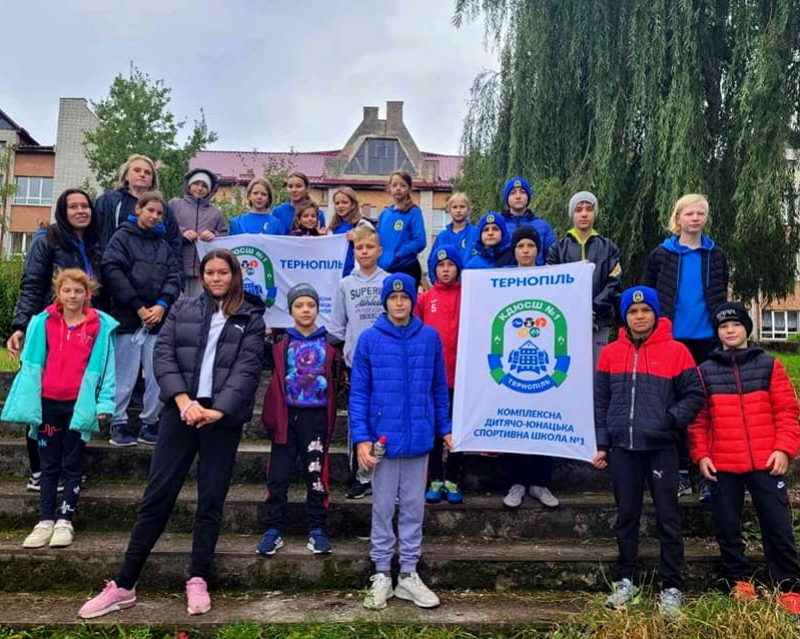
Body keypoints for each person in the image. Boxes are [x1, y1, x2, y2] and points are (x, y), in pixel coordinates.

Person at [77, 248, 266, 619]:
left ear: (234, 276)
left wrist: (217, 409)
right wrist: (183, 402)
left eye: (222, 272)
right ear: (202, 275)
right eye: (209, 272)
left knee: (211, 500)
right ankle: (124, 584)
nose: (215, 278)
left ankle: (198, 577)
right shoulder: (183, 309)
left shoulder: (252, 318)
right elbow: (163, 357)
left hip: (221, 421)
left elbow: (247, 370)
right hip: (180, 413)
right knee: (157, 497)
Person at [591, 286, 704, 620]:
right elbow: (600, 401)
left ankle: (672, 586)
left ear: (655, 314)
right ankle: (626, 580)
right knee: (626, 516)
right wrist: (602, 442)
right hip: (624, 449)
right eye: (633, 312)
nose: (639, 317)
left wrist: (670, 420)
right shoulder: (610, 352)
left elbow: (694, 395)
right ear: (625, 317)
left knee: (668, 518)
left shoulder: (677, 351)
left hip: (661, 449)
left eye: (645, 311)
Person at [688, 302, 800, 615]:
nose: (730, 331)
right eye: (724, 327)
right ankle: (738, 579)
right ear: (718, 333)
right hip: (723, 463)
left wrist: (784, 448)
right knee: (727, 525)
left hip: (766, 460)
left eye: (736, 325)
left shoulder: (769, 365)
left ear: (746, 329)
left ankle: (789, 586)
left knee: (778, 525)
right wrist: (701, 455)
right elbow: (698, 421)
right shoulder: (705, 371)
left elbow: (787, 411)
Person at [350, 273, 452, 610]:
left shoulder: (430, 338)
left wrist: (444, 427)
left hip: (419, 438)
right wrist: (362, 438)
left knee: (413, 506)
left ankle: (408, 573)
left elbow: (439, 387)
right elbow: (360, 393)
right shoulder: (369, 339)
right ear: (385, 301)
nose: (398, 303)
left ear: (412, 300)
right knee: (381, 507)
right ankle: (382, 572)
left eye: (404, 297)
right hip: (383, 439)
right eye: (393, 298)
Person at [4, 269, 116, 549]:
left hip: (79, 405)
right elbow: (30, 364)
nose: (72, 296)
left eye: (78, 291)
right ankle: (44, 520)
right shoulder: (43, 322)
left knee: (73, 463)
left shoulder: (98, 327)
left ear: (87, 294)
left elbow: (107, 369)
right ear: (58, 293)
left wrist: (104, 403)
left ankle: (65, 519)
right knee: (48, 464)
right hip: (48, 404)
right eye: (67, 291)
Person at [7, 188, 103, 492]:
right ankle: (39, 469)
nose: (80, 211)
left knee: (75, 398)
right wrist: (22, 325)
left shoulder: (94, 242)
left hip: (83, 330)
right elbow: (32, 283)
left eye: (85, 205)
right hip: (48, 329)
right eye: (73, 206)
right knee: (40, 399)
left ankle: (67, 467)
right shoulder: (46, 239)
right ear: (63, 210)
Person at [645, 193, 728, 499]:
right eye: (689, 213)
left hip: (707, 340)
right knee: (674, 404)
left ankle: (704, 469)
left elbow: (719, 291)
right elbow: (650, 296)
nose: (695, 218)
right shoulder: (661, 255)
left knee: (705, 404)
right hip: (672, 340)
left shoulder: (716, 255)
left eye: (701, 213)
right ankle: (678, 470)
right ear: (677, 218)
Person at [258, 283, 343, 556]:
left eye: (310, 305)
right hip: (285, 418)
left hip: (316, 418)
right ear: (291, 310)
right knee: (278, 476)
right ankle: (273, 529)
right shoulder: (280, 343)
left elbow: (337, 379)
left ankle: (317, 529)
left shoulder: (330, 344)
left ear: (318, 308)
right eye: (299, 305)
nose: (305, 310)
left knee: (316, 475)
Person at [101, 191, 182, 446]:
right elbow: (112, 271)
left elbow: (174, 275)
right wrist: (138, 306)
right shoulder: (121, 237)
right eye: (151, 211)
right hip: (127, 318)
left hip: (157, 320)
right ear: (139, 209)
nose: (155, 216)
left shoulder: (163, 244)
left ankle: (150, 423)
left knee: (159, 374)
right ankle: (118, 424)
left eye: (159, 213)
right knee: (124, 375)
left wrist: (162, 304)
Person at [327, 223, 389, 499]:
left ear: (379, 250)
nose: (364, 252)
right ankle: (362, 475)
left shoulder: (389, 282)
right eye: (359, 248)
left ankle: (385, 475)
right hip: (356, 365)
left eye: (369, 247)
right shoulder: (345, 284)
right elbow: (338, 325)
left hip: (387, 363)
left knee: (385, 420)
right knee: (359, 422)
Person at [502, 227, 560, 509]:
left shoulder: (552, 280)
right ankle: (516, 483)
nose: (525, 250)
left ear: (538, 250)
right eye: (520, 245)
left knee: (542, 419)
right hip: (511, 362)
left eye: (530, 246)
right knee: (513, 423)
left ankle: (539, 482)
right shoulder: (501, 279)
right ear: (514, 250)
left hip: (544, 360)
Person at [546, 191, 622, 366]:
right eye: (578, 209)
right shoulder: (558, 249)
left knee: (597, 370)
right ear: (572, 214)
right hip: (566, 322)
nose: (584, 214)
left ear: (595, 213)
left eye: (589, 209)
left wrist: (593, 308)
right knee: (568, 368)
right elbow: (552, 285)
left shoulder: (608, 247)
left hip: (599, 321)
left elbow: (614, 281)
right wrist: (576, 311)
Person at [416, 246, 465, 505]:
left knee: (457, 430)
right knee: (434, 430)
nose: (445, 270)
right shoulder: (425, 299)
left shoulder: (468, 296)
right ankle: (434, 477)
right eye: (440, 266)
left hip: (462, 377)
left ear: (458, 267)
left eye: (450, 265)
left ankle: (454, 479)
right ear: (434, 269)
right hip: (433, 378)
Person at [94, 154, 181, 262]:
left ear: (152, 180)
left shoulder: (163, 208)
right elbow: (94, 234)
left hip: (151, 270)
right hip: (114, 265)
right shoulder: (108, 201)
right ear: (126, 175)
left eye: (147, 172)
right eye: (137, 170)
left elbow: (174, 243)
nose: (142, 174)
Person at [170, 169, 227, 296]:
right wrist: (182, 232)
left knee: (200, 308)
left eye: (204, 185)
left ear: (210, 190)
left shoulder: (215, 213)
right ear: (189, 185)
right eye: (196, 183)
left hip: (204, 272)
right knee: (177, 308)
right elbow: (165, 227)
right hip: (176, 269)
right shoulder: (175, 205)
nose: (200, 188)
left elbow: (224, 235)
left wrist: (214, 235)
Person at [375, 170, 427, 288]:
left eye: (403, 185)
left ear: (409, 189)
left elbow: (420, 241)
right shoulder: (384, 214)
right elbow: (377, 240)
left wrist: (399, 254)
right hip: (384, 270)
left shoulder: (413, 212)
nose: (398, 188)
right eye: (394, 185)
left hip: (405, 267)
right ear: (389, 188)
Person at [499, 177, 555, 264]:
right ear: (507, 198)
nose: (518, 196)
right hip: (505, 275)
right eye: (513, 193)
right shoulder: (498, 226)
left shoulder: (543, 226)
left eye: (522, 192)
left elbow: (552, 258)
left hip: (536, 275)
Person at [427, 192, 477, 283]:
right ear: (449, 210)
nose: (458, 210)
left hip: (469, 285)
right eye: (455, 207)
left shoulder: (476, 233)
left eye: (462, 207)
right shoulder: (442, 236)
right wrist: (435, 281)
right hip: (446, 288)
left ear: (469, 209)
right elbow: (431, 261)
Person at [328, 186, 363, 276]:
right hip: (336, 274)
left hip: (354, 274)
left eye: (344, 202)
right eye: (337, 203)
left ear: (353, 205)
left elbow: (373, 245)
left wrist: (357, 239)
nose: (340, 206)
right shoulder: (333, 227)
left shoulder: (362, 224)